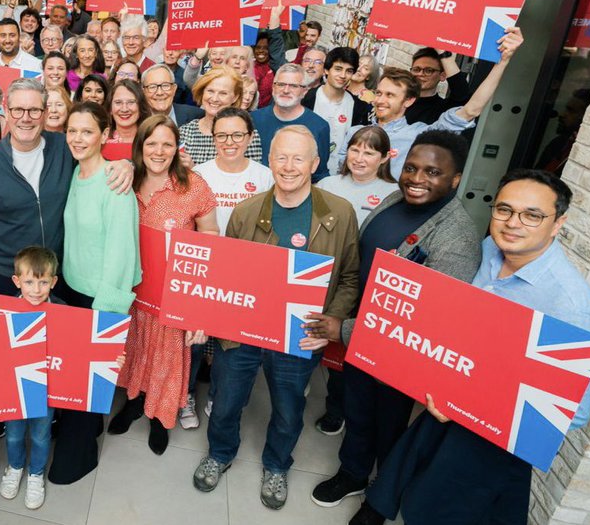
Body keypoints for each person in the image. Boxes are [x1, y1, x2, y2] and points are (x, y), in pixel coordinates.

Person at [351, 169, 590, 525]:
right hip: (444, 408)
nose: (513, 223)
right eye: (504, 210)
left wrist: (471, 407)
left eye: (532, 215)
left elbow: (572, 413)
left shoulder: (570, 304)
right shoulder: (488, 250)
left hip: (492, 442)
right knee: (406, 476)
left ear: (558, 223)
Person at [309, 130, 482, 512]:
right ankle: (353, 473)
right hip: (364, 337)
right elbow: (362, 264)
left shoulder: (457, 238)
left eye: (433, 172)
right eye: (412, 168)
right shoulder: (393, 199)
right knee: (357, 412)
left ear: (455, 180)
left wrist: (345, 330)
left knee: (389, 427)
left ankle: (380, 498)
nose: (417, 179)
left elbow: (430, 317)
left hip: (400, 350)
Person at [193, 125, 359, 510]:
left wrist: (330, 322)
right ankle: (220, 453)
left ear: (315, 163)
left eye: (298, 158)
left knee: (288, 410)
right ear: (269, 161)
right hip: (242, 334)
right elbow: (227, 275)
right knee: (227, 400)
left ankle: (276, 465)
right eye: (281, 157)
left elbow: (349, 277)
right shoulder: (246, 213)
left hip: (299, 336)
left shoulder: (339, 213)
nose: (288, 166)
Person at [107, 115, 218, 453]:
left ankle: (160, 416)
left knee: (168, 359)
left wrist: (199, 306)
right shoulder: (123, 180)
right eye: (151, 143)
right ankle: (134, 402)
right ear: (139, 147)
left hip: (173, 297)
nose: (159, 150)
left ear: (176, 148)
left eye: (167, 143)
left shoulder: (192, 186)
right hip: (129, 294)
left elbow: (211, 236)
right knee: (134, 352)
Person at [0, 79, 133, 297]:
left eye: (34, 110)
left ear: (45, 113)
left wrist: (128, 164)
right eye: (17, 110)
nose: (25, 118)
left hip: (58, 278)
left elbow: (98, 164)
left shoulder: (65, 147)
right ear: (6, 111)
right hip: (7, 278)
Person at [48, 101, 141, 485]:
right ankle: (83, 431)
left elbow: (121, 255)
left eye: (87, 131)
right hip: (70, 290)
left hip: (98, 299)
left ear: (105, 135)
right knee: (71, 382)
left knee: (85, 384)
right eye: (72, 130)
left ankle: (77, 459)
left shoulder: (115, 184)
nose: (78, 138)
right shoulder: (73, 173)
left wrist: (106, 320)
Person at [337, 28, 523, 179]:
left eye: (390, 95)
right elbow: (337, 170)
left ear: (409, 101)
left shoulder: (419, 135)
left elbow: (471, 109)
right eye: (378, 93)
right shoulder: (355, 132)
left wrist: (503, 61)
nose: (380, 100)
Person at [0, 246, 63, 509]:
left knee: (40, 433)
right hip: (14, 387)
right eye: (29, 282)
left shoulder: (63, 311)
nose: (36, 290)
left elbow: (79, 349)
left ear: (53, 282)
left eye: (43, 282)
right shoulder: (4, 310)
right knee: (13, 433)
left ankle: (36, 473)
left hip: (47, 387)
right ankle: (14, 467)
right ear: (17, 281)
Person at [195, 108, 274, 233]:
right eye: (221, 136)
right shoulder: (198, 174)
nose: (229, 142)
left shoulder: (266, 177)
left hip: (249, 250)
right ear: (213, 138)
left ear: (251, 137)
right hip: (210, 248)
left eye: (238, 135)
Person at [251, 63, 332, 180]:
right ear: (273, 88)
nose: (286, 90)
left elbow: (320, 175)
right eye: (281, 84)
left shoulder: (319, 126)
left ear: (304, 91)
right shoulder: (253, 119)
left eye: (294, 86)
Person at [301, 47, 373, 174]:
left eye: (349, 71)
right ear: (327, 70)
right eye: (338, 69)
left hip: (339, 175)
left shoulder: (358, 107)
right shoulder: (308, 98)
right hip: (307, 171)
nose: (343, 76)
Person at [179, 67, 263, 164]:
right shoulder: (185, 132)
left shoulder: (245, 135)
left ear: (235, 97)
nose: (215, 98)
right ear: (202, 92)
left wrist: (194, 172)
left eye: (223, 93)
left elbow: (252, 176)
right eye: (210, 91)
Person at [317, 126, 397, 226]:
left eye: (368, 153)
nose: (359, 159)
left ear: (385, 157)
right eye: (355, 150)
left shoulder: (394, 194)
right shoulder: (326, 185)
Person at [404, 46, 471, 125]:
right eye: (416, 69)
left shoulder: (442, 109)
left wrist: (442, 53)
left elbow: (462, 93)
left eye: (428, 70)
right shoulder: (398, 99)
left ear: (442, 76)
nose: (420, 74)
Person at [252, 35, 276, 108]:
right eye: (258, 48)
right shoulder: (248, 67)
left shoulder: (276, 67)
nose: (261, 50)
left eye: (265, 48)